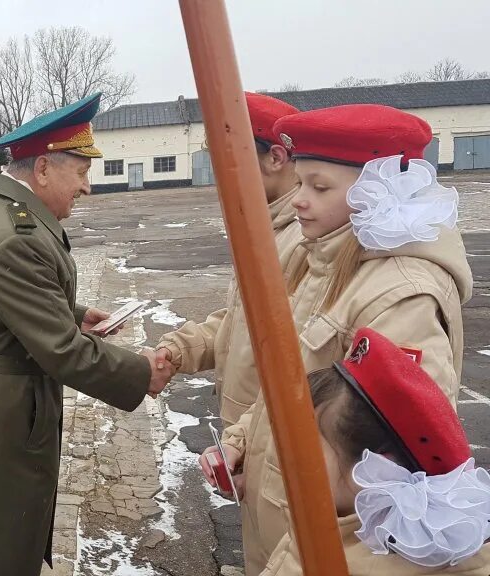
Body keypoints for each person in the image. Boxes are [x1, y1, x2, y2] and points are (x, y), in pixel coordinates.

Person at [209, 104, 472, 575]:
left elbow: (394, 475)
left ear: (380, 193)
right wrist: (241, 440)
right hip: (285, 516)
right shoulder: (328, 263)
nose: (298, 200)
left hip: (319, 544)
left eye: (320, 187)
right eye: (301, 182)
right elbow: (295, 385)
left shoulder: (399, 296)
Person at [0, 91, 175, 576]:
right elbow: (61, 351)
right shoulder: (12, 237)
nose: (87, 188)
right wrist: (141, 372)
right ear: (42, 170)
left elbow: (2, 300)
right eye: (80, 174)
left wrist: (69, 312)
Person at [255, 329, 490, 575]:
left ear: (377, 470)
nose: (287, 459)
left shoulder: (347, 560)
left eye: (308, 450)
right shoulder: (335, 522)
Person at [156, 92, 302, 428]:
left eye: (229, 161)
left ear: (276, 158)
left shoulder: (307, 240)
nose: (221, 177)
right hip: (251, 434)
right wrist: (181, 348)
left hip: (276, 435)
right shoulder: (271, 227)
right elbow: (246, 320)